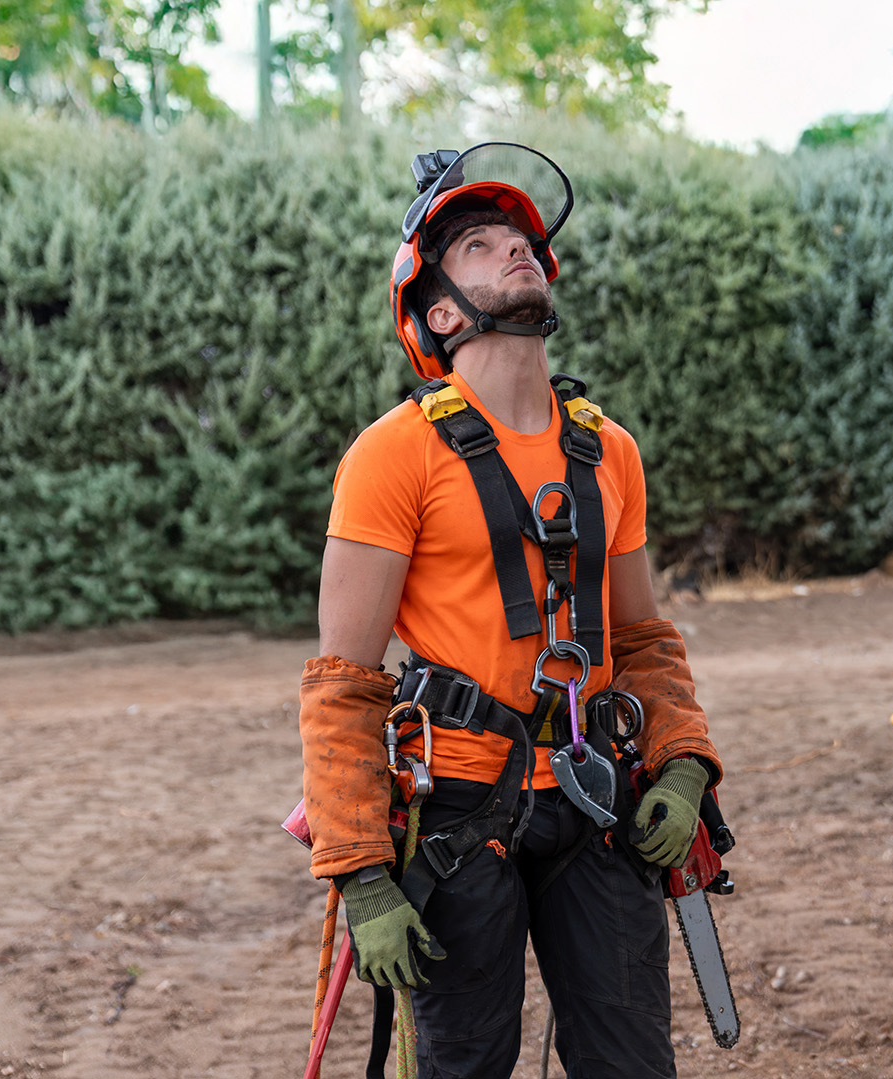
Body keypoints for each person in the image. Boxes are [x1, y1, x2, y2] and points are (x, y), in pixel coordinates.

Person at [297, 142, 723, 1079]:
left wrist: (683, 759)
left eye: (522, 239)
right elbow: (344, 682)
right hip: (456, 812)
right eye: (483, 244)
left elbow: (643, 636)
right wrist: (364, 875)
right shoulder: (393, 455)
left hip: (594, 794)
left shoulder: (609, 449)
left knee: (632, 1064)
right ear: (439, 310)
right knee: (466, 1065)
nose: (517, 249)